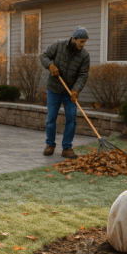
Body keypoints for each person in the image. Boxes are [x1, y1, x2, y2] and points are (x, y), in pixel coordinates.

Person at [40, 26, 90, 159]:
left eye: (84, 42)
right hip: (54, 89)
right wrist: (50, 66)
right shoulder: (58, 45)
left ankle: (67, 147)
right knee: (51, 119)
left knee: (71, 119)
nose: (83, 45)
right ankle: (50, 144)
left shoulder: (84, 56)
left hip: (70, 93)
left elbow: (83, 75)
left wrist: (75, 90)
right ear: (74, 39)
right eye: (81, 42)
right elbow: (44, 56)